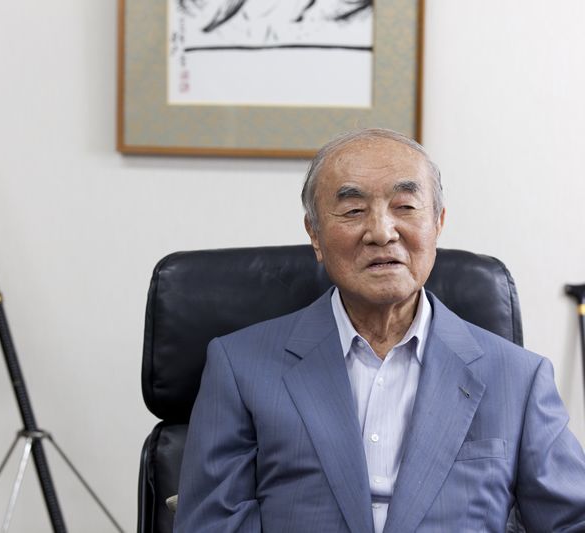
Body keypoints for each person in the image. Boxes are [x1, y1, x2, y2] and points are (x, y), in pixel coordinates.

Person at [174, 128, 585, 532]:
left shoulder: (519, 378)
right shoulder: (240, 367)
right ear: (314, 234)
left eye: (405, 206)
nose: (382, 232)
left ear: (438, 223)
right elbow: (210, 525)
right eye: (353, 211)